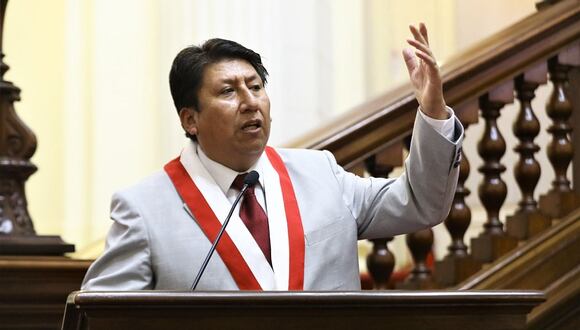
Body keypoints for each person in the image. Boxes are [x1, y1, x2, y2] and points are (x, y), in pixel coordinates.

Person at [82, 23, 463, 291]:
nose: (250, 102)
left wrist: (432, 110)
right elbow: (102, 315)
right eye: (229, 91)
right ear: (190, 119)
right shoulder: (144, 209)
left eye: (256, 86)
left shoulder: (320, 173)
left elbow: (421, 204)